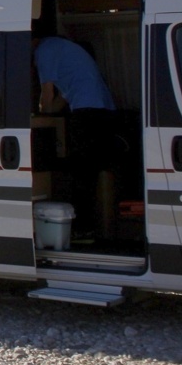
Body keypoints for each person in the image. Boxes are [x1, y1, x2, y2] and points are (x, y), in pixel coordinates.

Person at [33, 35, 120, 240]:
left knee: (82, 172)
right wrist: (47, 113)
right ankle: (102, 226)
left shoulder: (43, 50)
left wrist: (38, 116)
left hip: (88, 112)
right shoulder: (66, 51)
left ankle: (82, 227)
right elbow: (61, 99)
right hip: (105, 111)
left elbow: (47, 95)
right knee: (97, 169)